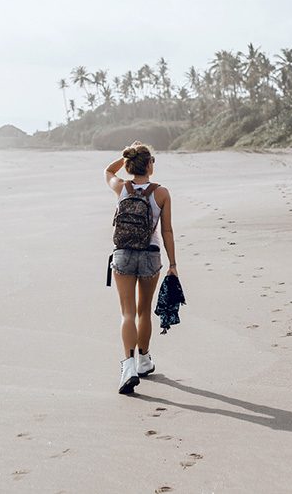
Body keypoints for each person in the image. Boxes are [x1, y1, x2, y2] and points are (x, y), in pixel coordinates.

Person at [104, 142, 177, 395]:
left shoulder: (122, 187)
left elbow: (107, 172)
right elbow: (166, 230)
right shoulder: (161, 193)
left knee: (127, 313)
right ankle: (144, 359)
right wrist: (173, 264)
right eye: (152, 161)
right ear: (148, 165)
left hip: (123, 253)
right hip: (150, 255)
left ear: (130, 164)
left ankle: (129, 367)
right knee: (143, 311)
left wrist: (125, 156)